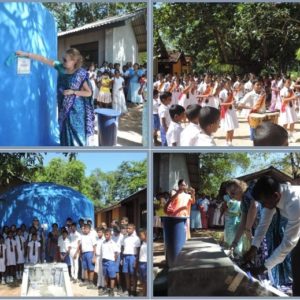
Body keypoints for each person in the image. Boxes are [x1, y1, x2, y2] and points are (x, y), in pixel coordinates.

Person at [16, 48, 94, 146]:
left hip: (76, 111)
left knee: (77, 136)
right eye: (63, 59)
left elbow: (89, 93)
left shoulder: (79, 74)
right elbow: (43, 59)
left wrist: (73, 92)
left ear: (74, 61)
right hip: (63, 107)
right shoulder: (60, 68)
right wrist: (25, 53)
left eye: (65, 60)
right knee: (64, 131)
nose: (63, 61)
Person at [243, 176, 300, 296]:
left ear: (276, 196)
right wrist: (253, 248)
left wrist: (263, 267)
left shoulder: (295, 203)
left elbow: (288, 243)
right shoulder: (271, 199)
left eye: (264, 203)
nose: (263, 207)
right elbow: (263, 225)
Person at [121, 224, 141, 296]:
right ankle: (128, 289)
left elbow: (138, 250)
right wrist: (122, 258)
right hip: (125, 257)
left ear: (133, 229)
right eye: (127, 228)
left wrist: (136, 260)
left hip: (133, 257)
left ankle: (134, 290)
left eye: (129, 228)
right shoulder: (124, 237)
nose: (127, 229)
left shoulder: (136, 238)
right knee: (126, 274)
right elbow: (123, 248)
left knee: (133, 274)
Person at [219, 80, 239, 146]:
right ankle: (226, 142)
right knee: (228, 127)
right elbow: (221, 104)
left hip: (232, 110)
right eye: (228, 83)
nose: (229, 84)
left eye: (230, 83)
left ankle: (230, 142)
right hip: (226, 111)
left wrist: (234, 101)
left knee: (233, 127)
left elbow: (233, 100)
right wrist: (229, 103)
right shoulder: (222, 92)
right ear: (224, 84)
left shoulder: (231, 92)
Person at [101, 229, 120, 297]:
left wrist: (114, 259)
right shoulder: (103, 242)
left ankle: (111, 290)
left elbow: (117, 252)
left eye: (107, 234)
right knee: (105, 276)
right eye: (105, 234)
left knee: (112, 276)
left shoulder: (113, 243)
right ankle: (106, 288)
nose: (106, 236)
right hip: (104, 261)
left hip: (111, 261)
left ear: (110, 235)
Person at [279, 78, 298, 142]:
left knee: (292, 121)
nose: (289, 84)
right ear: (284, 83)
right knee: (285, 122)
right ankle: (285, 136)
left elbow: (293, 97)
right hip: (285, 108)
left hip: (291, 107)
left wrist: (295, 98)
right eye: (288, 82)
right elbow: (283, 100)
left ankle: (291, 135)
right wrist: (292, 97)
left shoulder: (291, 90)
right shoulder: (282, 90)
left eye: (290, 82)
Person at [79, 223, 97, 289]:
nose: (85, 230)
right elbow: (80, 246)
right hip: (83, 254)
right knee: (85, 268)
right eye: (84, 228)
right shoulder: (82, 236)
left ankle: (91, 282)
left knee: (91, 268)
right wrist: (80, 254)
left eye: (87, 229)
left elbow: (94, 246)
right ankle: (86, 281)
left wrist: (94, 256)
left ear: (89, 229)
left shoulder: (92, 236)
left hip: (90, 253)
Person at [138, 228, 147, 297]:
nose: (140, 237)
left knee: (146, 281)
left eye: (141, 235)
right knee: (143, 281)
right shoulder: (143, 243)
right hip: (141, 263)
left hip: (145, 263)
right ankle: (144, 294)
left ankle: (145, 294)